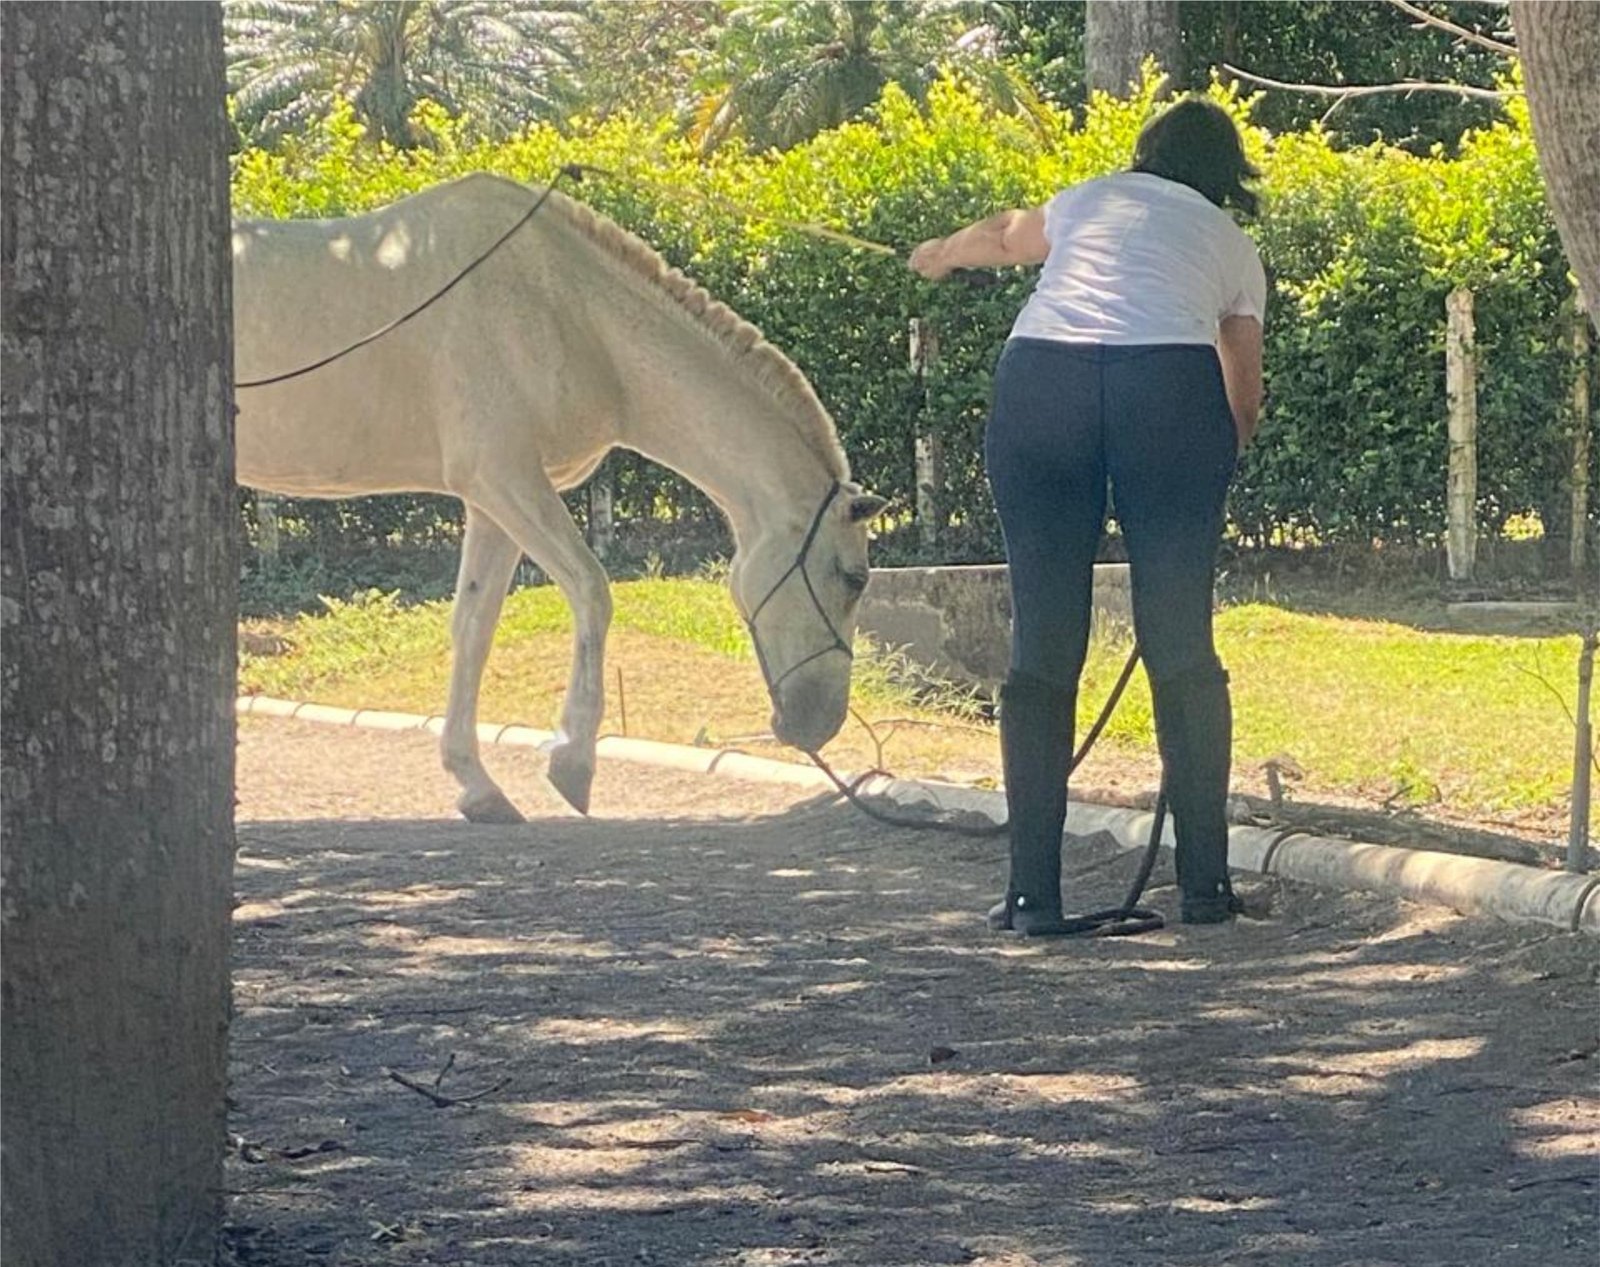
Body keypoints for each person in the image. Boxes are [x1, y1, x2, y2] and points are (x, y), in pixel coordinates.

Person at [909, 98, 1266, 931]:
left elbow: (1002, 237)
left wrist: (936, 254)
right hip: (1169, 394)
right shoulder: (1230, 243)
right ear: (1225, 176)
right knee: (1181, 643)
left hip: (1043, 384)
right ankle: (1207, 889)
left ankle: (1033, 893)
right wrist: (1210, 464)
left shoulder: (1090, 198)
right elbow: (1240, 389)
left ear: (1143, 156)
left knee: (1043, 646)